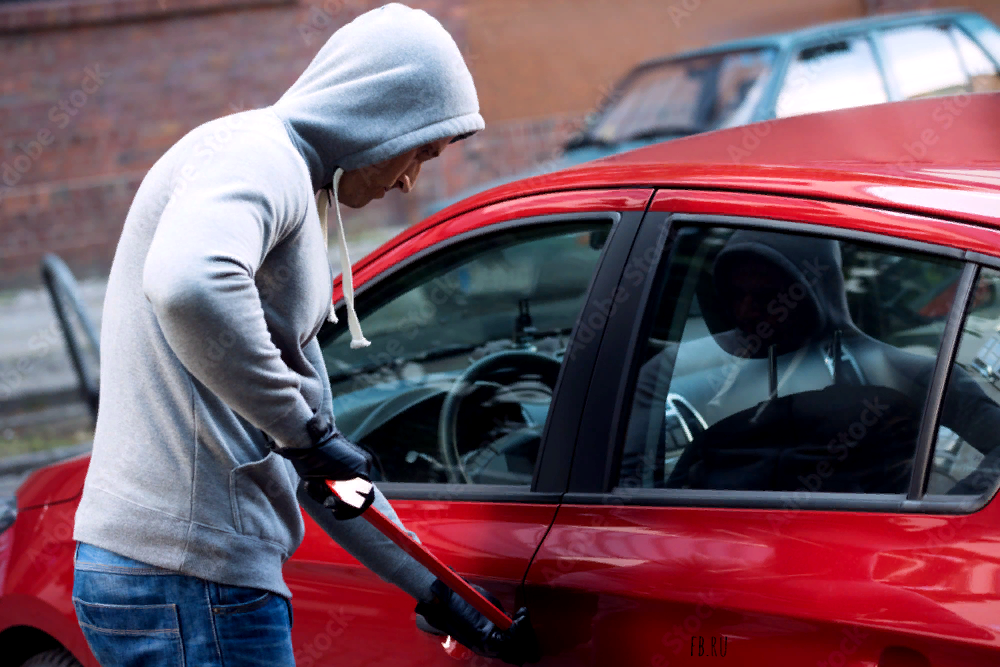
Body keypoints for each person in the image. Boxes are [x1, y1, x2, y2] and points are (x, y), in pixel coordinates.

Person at [71, 4, 537, 666]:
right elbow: (187, 284)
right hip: (195, 579)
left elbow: (322, 467)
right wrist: (303, 432)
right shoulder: (260, 157)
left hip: (153, 570)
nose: (410, 180)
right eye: (420, 151)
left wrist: (436, 590)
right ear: (380, 112)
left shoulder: (266, 169)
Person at [621, 229, 1000, 494]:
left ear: (816, 294)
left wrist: (945, 515)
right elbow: (625, 485)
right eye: (736, 294)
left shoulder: (898, 373)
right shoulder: (675, 369)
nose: (747, 311)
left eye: (770, 296)